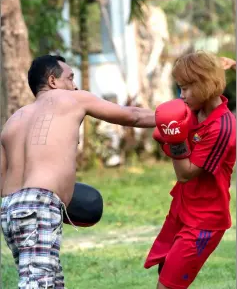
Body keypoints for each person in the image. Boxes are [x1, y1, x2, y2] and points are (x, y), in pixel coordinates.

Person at [0, 55, 156, 289]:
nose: (74, 85)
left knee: (51, 282)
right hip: (40, 204)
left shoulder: (13, 120)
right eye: (70, 78)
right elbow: (132, 115)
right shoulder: (72, 99)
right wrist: (177, 116)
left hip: (10, 210)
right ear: (52, 81)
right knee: (37, 284)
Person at [144, 51, 236, 289]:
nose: (181, 96)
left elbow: (185, 173)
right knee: (165, 274)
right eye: (179, 88)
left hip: (203, 222)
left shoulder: (222, 127)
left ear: (205, 85)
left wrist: (173, 139)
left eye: (186, 89)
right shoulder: (193, 112)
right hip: (182, 211)